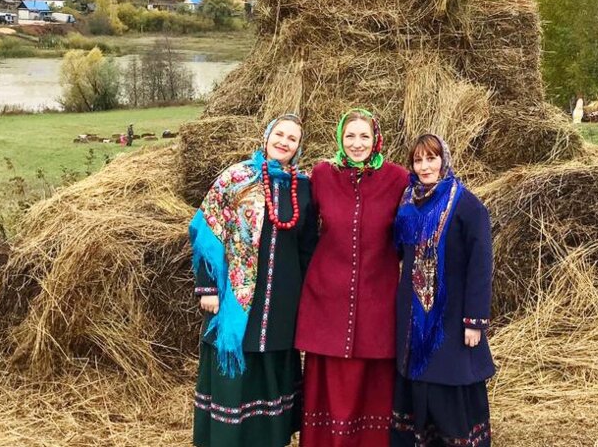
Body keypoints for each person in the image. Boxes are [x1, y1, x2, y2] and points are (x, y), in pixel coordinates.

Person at [190, 114, 318, 447]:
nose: (284, 142)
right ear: (267, 136)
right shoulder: (237, 177)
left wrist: (310, 296)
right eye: (279, 134)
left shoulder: (302, 186)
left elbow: (307, 247)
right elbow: (208, 230)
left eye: (292, 139)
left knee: (271, 365)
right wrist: (207, 287)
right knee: (236, 363)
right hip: (235, 297)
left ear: (298, 147)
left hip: (281, 299)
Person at [296, 108, 411, 447]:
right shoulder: (321, 175)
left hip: (378, 294)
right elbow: (301, 229)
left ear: (376, 139)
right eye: (350, 136)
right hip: (327, 295)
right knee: (330, 378)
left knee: (373, 379)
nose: (357, 143)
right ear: (339, 139)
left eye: (364, 136)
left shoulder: (398, 178)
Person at [390, 134, 494, 447]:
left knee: (448, 377)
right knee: (418, 379)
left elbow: (481, 264)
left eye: (431, 158)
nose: (424, 167)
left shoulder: (466, 204)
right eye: (418, 160)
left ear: (444, 160)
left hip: (451, 313)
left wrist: (474, 320)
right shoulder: (409, 200)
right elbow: (398, 248)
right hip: (413, 313)